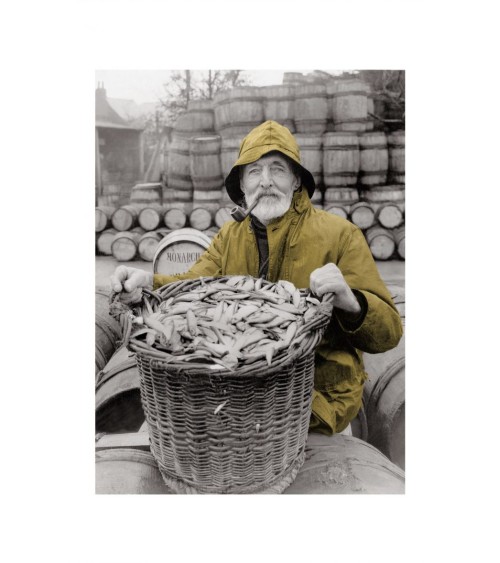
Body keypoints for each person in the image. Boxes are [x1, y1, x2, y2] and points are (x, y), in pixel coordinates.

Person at [111, 120, 403, 435]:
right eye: (254, 171)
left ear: (295, 180)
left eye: (277, 169)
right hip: (238, 395)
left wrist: (352, 302)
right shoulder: (230, 236)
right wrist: (148, 283)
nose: (265, 182)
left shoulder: (340, 235)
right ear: (242, 184)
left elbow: (388, 333)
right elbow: (190, 286)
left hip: (315, 402)